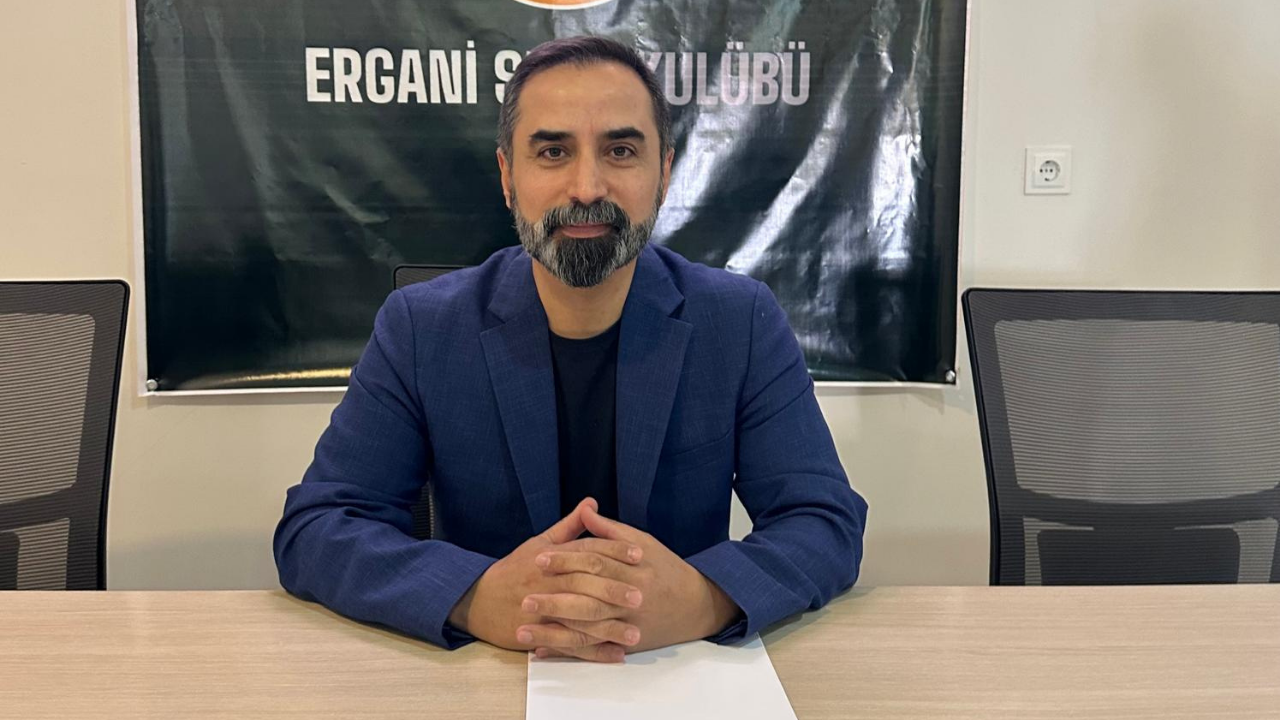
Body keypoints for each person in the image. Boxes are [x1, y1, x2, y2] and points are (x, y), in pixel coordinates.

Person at [274, 35, 868, 663]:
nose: (586, 187)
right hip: (488, 671)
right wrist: (474, 597)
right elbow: (317, 526)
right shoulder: (421, 328)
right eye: (553, 151)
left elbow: (824, 521)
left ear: (664, 173)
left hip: (674, 669)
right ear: (508, 176)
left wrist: (702, 599)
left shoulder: (740, 322)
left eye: (620, 150)